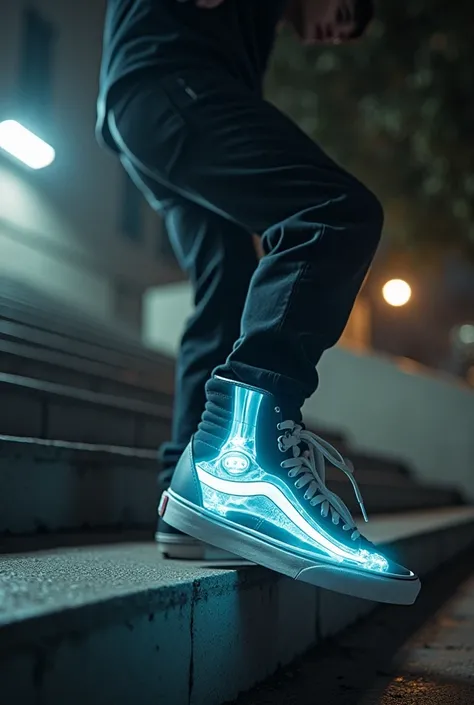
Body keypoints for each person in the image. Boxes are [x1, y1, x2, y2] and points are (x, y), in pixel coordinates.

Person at [96, 0, 421, 604]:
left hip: (141, 102)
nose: (335, 31)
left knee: (227, 288)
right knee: (332, 213)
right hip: (167, 83)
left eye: (343, 35)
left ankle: (185, 502)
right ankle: (243, 449)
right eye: (343, 10)